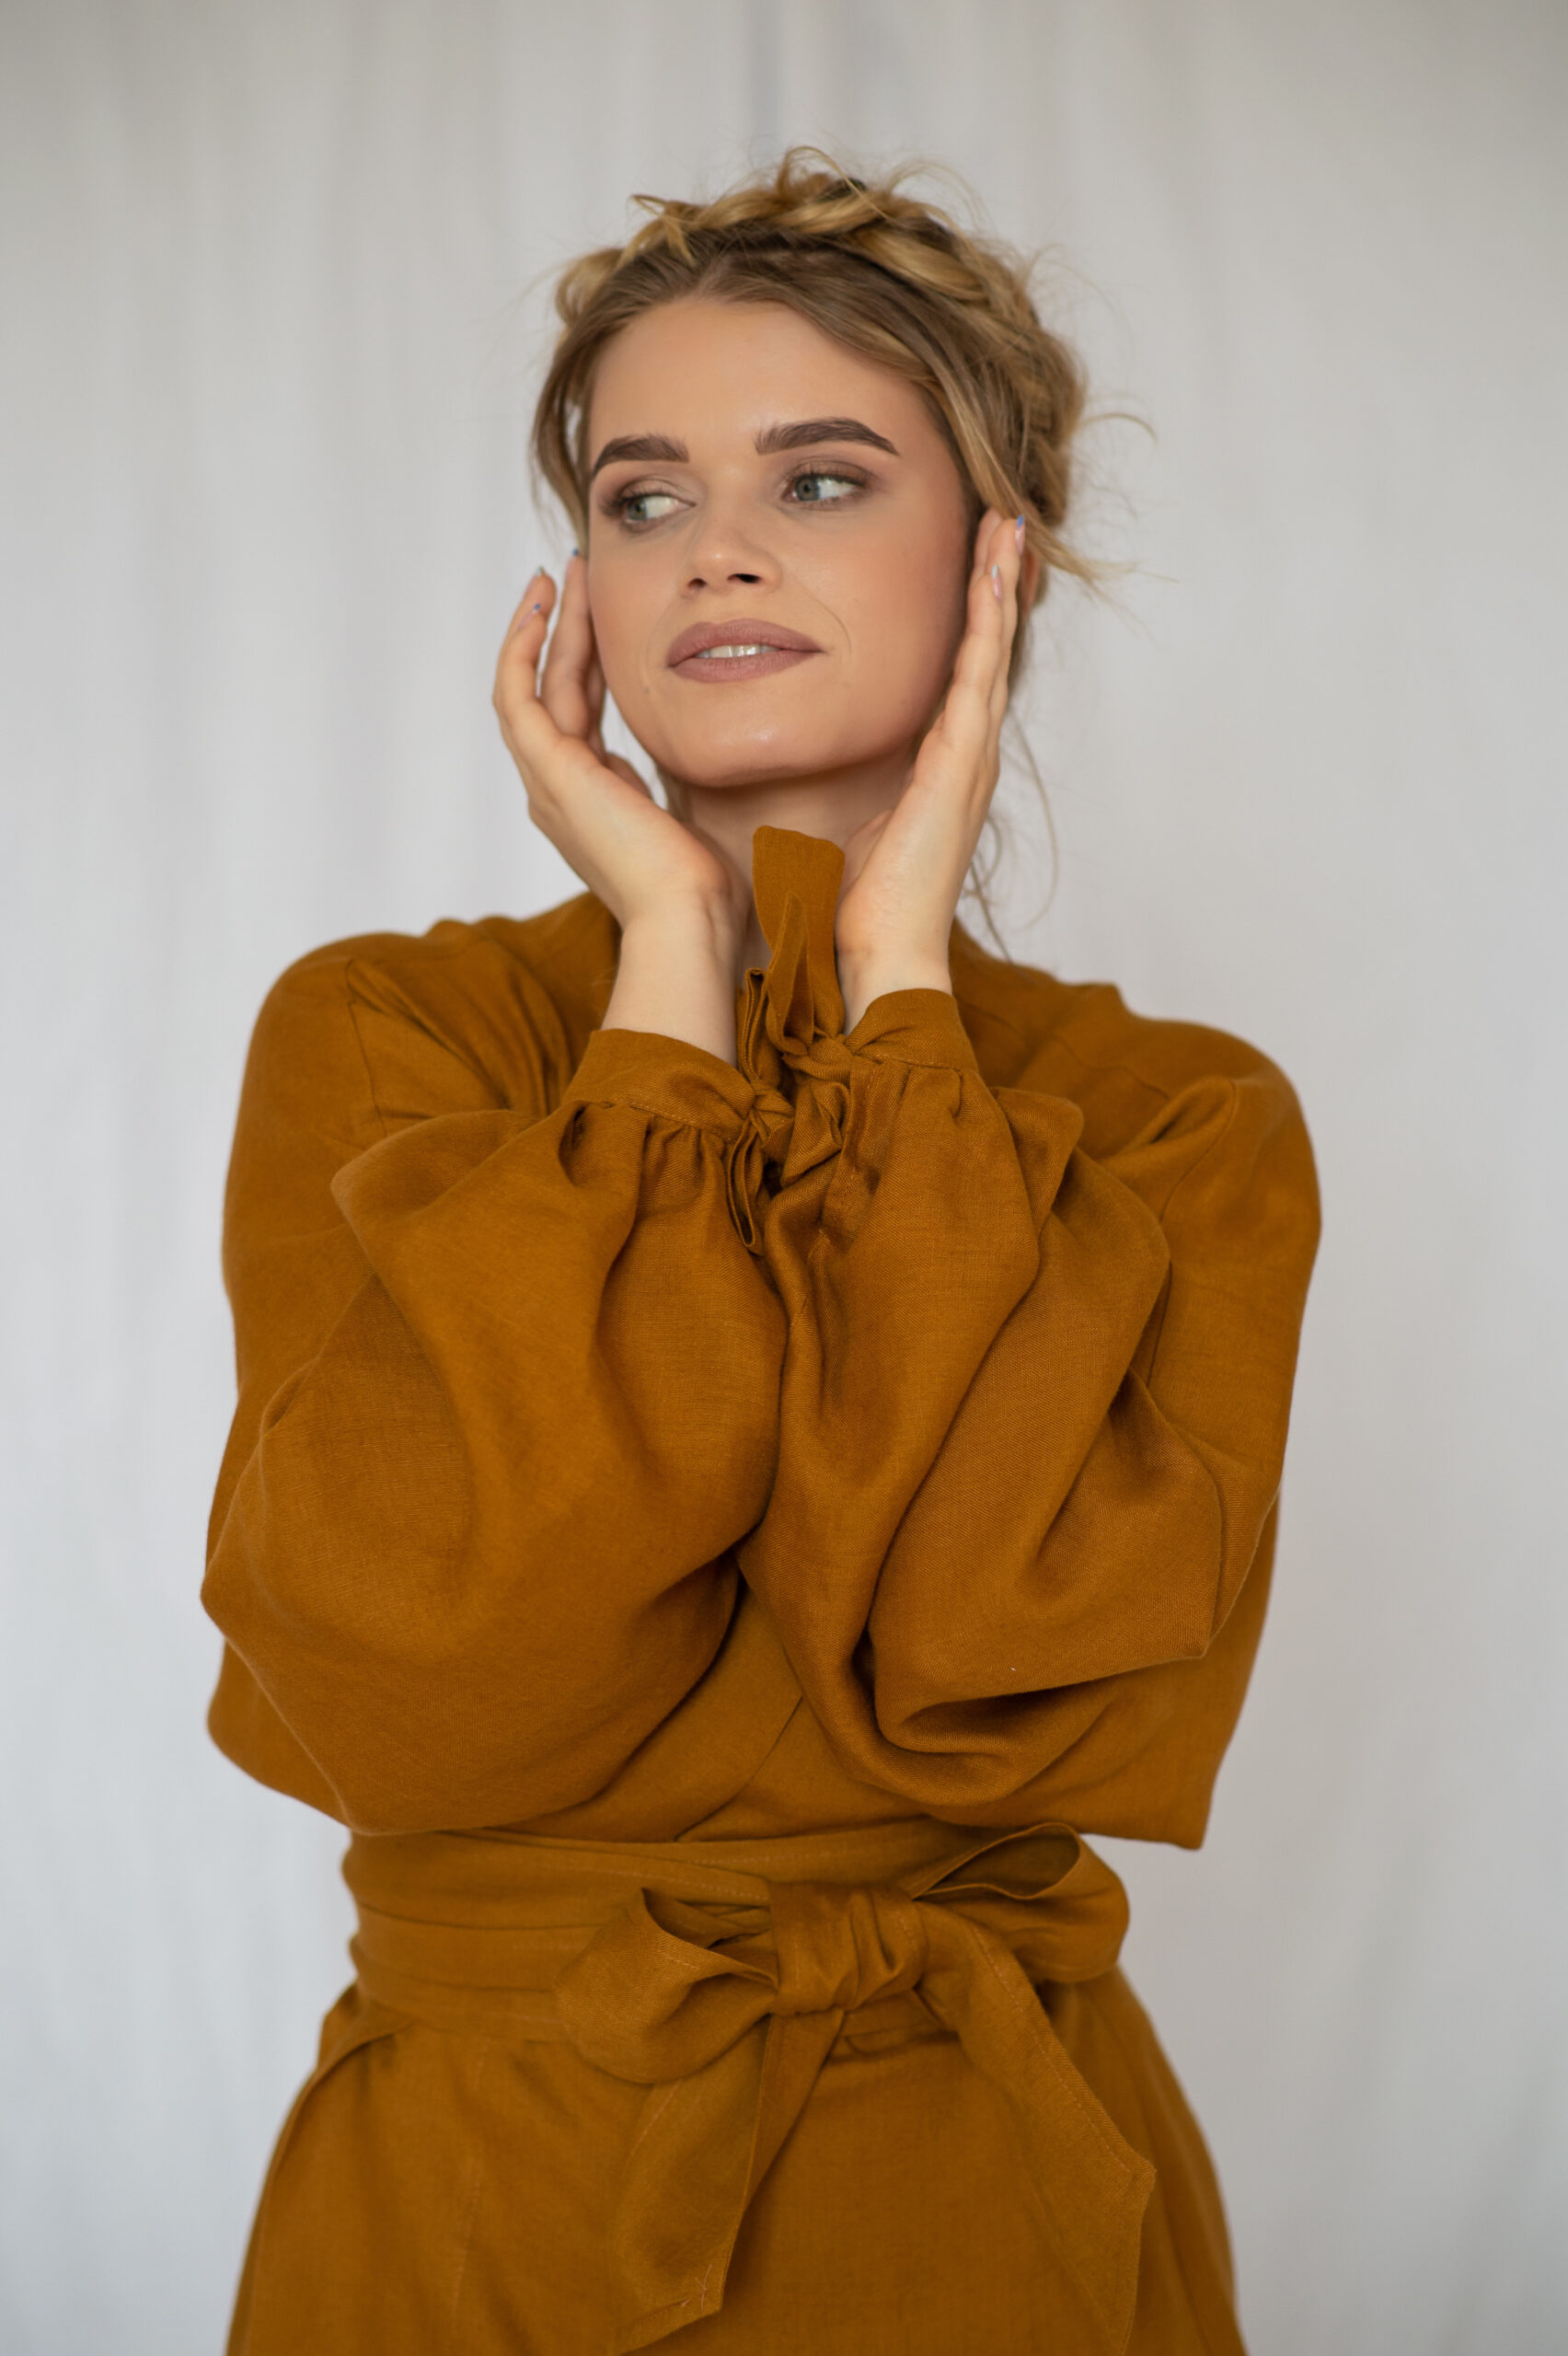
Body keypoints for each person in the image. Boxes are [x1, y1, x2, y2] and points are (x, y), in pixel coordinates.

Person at [203, 153, 1320, 2356]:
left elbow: (984, 1682)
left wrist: (900, 992)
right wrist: (673, 961)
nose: (712, 546)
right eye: (642, 496)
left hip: (992, 2205)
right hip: (473, 2208)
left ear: (996, 549)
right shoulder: (395, 1037)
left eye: (818, 478)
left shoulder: (1175, 1115)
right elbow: (430, 1672)